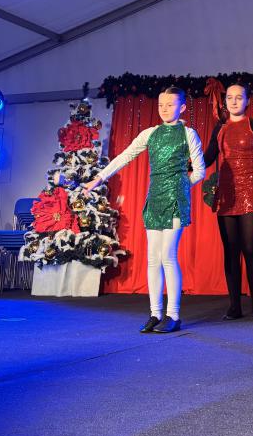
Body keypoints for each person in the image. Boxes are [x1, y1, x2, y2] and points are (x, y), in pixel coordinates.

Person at [84, 87, 204, 333]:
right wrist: (99, 178)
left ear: (182, 107)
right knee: (152, 258)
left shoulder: (188, 133)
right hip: (154, 200)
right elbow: (125, 156)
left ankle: (173, 315)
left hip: (175, 200)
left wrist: (180, 187)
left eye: (170, 104)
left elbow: (200, 171)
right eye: (161, 105)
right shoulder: (150, 133)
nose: (165, 109)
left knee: (167, 256)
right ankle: (155, 313)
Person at [203, 83, 253, 321]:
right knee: (231, 251)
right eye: (229, 97)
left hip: (250, 191)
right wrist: (187, 162)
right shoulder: (220, 128)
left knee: (249, 248)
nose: (233, 101)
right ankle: (234, 307)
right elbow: (208, 158)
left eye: (239, 97)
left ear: (247, 101)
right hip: (226, 194)